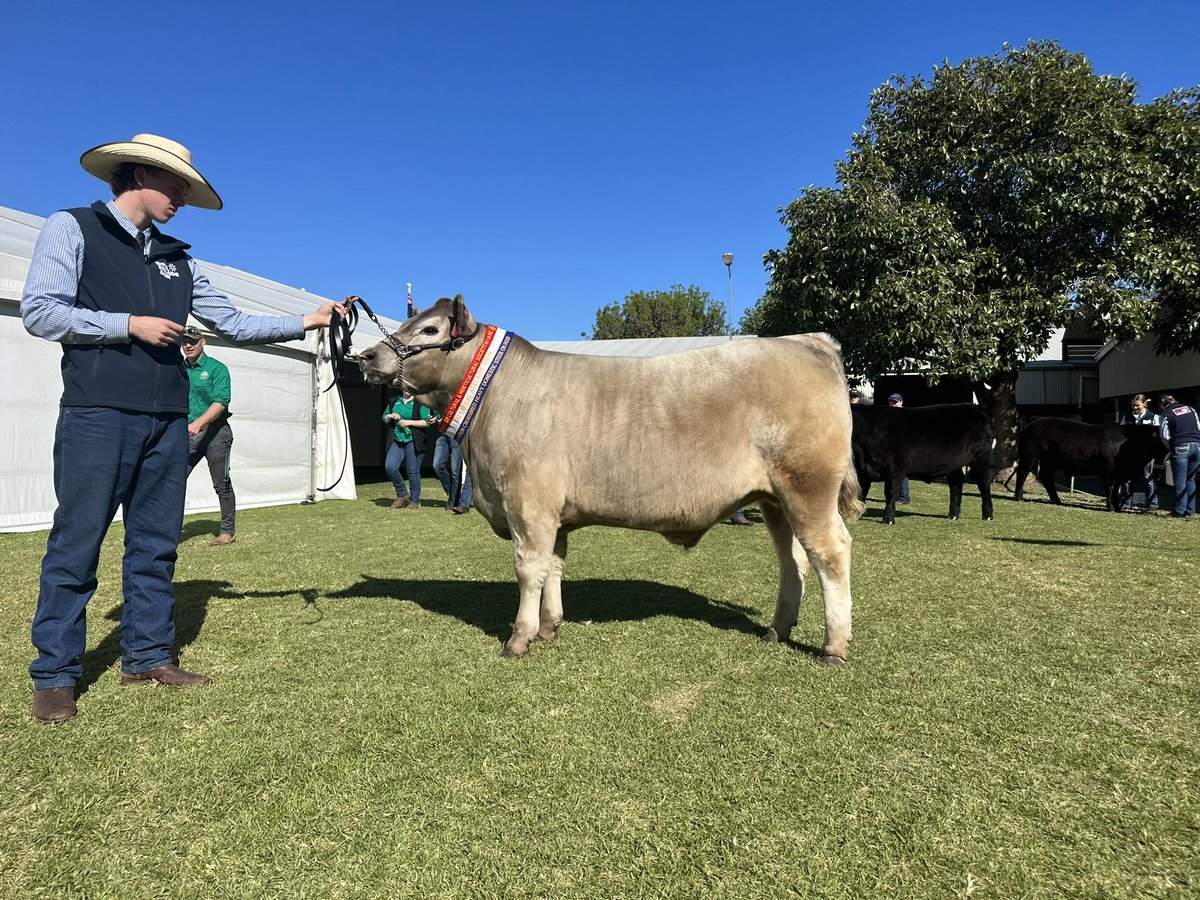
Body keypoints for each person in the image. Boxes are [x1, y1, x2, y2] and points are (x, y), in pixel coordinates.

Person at [21, 133, 350, 723]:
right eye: (174, 185)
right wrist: (129, 324)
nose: (180, 198)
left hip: (168, 422)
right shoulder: (72, 227)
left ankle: (147, 656)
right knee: (76, 543)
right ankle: (55, 675)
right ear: (138, 174)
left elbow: (232, 321)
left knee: (156, 545)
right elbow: (41, 312)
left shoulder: (180, 258)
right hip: (97, 415)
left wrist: (308, 319)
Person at [182, 326, 238, 543]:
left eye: (193, 341)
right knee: (175, 480)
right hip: (188, 433)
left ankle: (227, 531)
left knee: (221, 483)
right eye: (185, 341)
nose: (188, 345)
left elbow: (221, 401)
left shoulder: (217, 369)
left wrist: (199, 423)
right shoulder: (178, 368)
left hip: (216, 432)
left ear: (203, 342)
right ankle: (168, 530)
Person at [383, 391, 428, 509]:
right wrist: (390, 416)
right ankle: (402, 494)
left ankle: (415, 500)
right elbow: (384, 418)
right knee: (390, 466)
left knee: (413, 471)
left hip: (413, 440)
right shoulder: (394, 401)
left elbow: (426, 422)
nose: (407, 390)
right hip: (397, 440)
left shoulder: (419, 402)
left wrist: (409, 422)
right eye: (404, 388)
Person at [1158, 393, 1200, 518]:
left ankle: (1179, 510)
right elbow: (1198, 426)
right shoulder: (1190, 409)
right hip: (1197, 446)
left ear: (1162, 405)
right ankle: (1190, 510)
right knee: (1190, 479)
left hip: (1180, 446)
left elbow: (1165, 435)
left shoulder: (1166, 414)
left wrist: (1170, 447)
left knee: (1179, 480)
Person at [1118, 393, 1160, 511]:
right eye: (1133, 405)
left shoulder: (1154, 417)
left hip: (1147, 453)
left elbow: (1158, 437)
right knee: (1127, 479)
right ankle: (1126, 503)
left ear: (1145, 404)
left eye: (1137, 405)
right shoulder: (1126, 417)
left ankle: (1152, 504)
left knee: (1148, 478)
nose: (1135, 408)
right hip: (1130, 452)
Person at [427, 408, 473, 514]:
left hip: (456, 432)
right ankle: (453, 494)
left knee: (456, 470)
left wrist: (447, 420)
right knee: (437, 465)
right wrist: (436, 418)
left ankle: (458, 502)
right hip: (443, 432)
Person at [888, 393, 911, 504]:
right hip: (893, 446)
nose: (893, 404)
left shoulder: (905, 414)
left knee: (901, 471)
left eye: (895, 402)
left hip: (903, 447)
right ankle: (897, 495)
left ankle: (904, 497)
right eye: (891, 402)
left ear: (901, 402)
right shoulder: (890, 414)